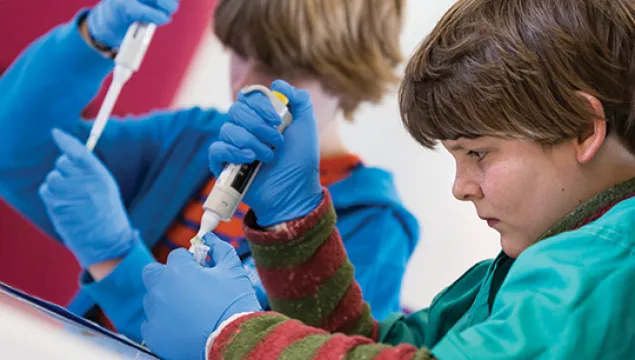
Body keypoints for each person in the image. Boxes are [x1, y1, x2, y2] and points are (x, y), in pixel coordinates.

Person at [139, 0, 635, 358]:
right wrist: (295, 220)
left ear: (581, 128)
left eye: (479, 153)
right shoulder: (523, 265)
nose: (460, 187)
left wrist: (230, 336)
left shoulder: (606, 267)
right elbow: (382, 350)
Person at [0, 0, 418, 343]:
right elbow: (12, 147)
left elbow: (253, 349)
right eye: (240, 51)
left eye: (281, 64)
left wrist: (115, 258)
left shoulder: (372, 226)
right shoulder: (192, 140)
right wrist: (92, 39)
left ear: (351, 73)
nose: (247, 84)